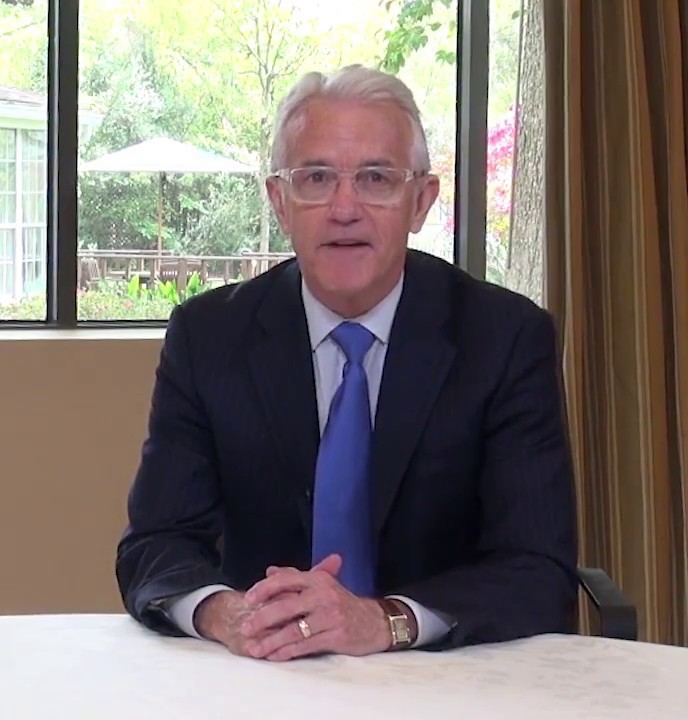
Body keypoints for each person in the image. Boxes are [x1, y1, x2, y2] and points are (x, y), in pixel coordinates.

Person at [115, 64, 577, 661]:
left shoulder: (504, 338)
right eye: (316, 178)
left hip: (443, 677)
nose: (344, 207)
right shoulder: (209, 337)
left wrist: (384, 621)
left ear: (421, 202)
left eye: (376, 178)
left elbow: (538, 568)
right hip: (264, 674)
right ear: (280, 201)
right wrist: (227, 613)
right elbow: (155, 544)